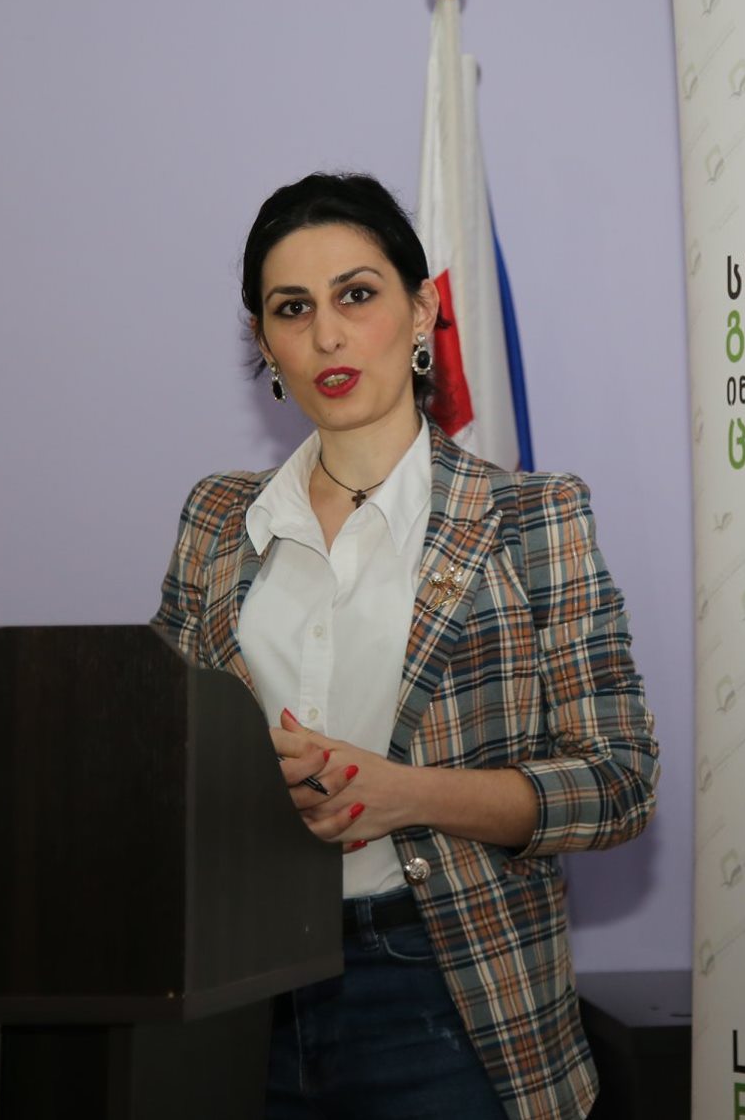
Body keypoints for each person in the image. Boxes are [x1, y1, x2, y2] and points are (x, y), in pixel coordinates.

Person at [152, 172, 658, 1120]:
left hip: (444, 988)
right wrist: (238, 779)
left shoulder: (532, 517)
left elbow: (619, 781)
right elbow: (158, 750)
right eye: (292, 308)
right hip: (231, 989)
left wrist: (404, 794)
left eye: (356, 294)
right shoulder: (216, 519)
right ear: (264, 341)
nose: (327, 336)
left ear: (421, 310)